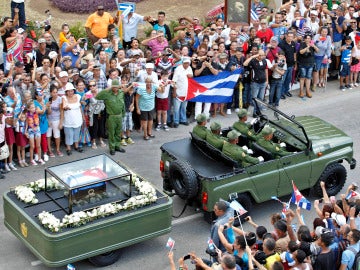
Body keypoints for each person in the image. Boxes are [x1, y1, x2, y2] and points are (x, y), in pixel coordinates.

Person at [96, 79, 127, 155]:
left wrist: (123, 113)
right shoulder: (107, 94)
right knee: (111, 133)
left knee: (118, 132)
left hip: (119, 116)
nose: (115, 89)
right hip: (111, 116)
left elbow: (122, 104)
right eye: (114, 87)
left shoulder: (121, 93)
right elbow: (97, 96)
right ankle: (112, 148)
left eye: (117, 87)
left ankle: (117, 146)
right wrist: (108, 88)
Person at [61, 82, 84, 156]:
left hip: (77, 118)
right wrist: (66, 107)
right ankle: (68, 148)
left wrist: (83, 116)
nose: (70, 92)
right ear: (66, 92)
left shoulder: (78, 96)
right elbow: (64, 106)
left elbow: (80, 107)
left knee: (77, 133)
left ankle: (76, 146)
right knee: (69, 134)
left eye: (71, 90)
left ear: (73, 90)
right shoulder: (64, 98)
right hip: (68, 120)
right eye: (68, 91)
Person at [83, 80, 106, 149]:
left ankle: (101, 140)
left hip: (101, 111)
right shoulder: (88, 93)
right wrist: (84, 100)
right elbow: (83, 101)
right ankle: (94, 142)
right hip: (93, 112)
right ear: (89, 87)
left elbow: (105, 99)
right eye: (90, 86)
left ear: (96, 85)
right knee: (94, 127)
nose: (92, 87)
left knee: (101, 126)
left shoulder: (101, 91)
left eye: (94, 85)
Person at [172, 57, 193, 128]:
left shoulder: (189, 68)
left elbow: (191, 76)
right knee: (176, 109)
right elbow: (173, 82)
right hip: (178, 92)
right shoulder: (177, 69)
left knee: (184, 108)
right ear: (182, 63)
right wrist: (174, 92)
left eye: (188, 63)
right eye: (185, 63)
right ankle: (176, 121)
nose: (187, 65)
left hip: (186, 92)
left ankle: (183, 120)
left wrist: (191, 76)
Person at [25, 101, 44, 165]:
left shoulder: (36, 112)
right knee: (32, 146)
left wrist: (43, 105)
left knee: (38, 145)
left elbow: (42, 111)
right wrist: (25, 131)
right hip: (31, 130)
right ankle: (31, 159)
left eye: (34, 107)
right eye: (32, 107)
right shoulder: (27, 114)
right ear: (28, 109)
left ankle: (39, 158)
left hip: (37, 129)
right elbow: (27, 124)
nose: (33, 109)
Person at [46, 84, 63, 157]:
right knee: (48, 135)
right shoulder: (47, 99)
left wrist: (61, 122)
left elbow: (62, 111)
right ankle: (49, 150)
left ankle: (58, 149)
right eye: (54, 92)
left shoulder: (59, 99)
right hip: (49, 120)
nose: (55, 94)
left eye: (56, 92)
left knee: (57, 135)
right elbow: (48, 112)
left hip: (57, 119)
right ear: (50, 93)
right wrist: (49, 106)